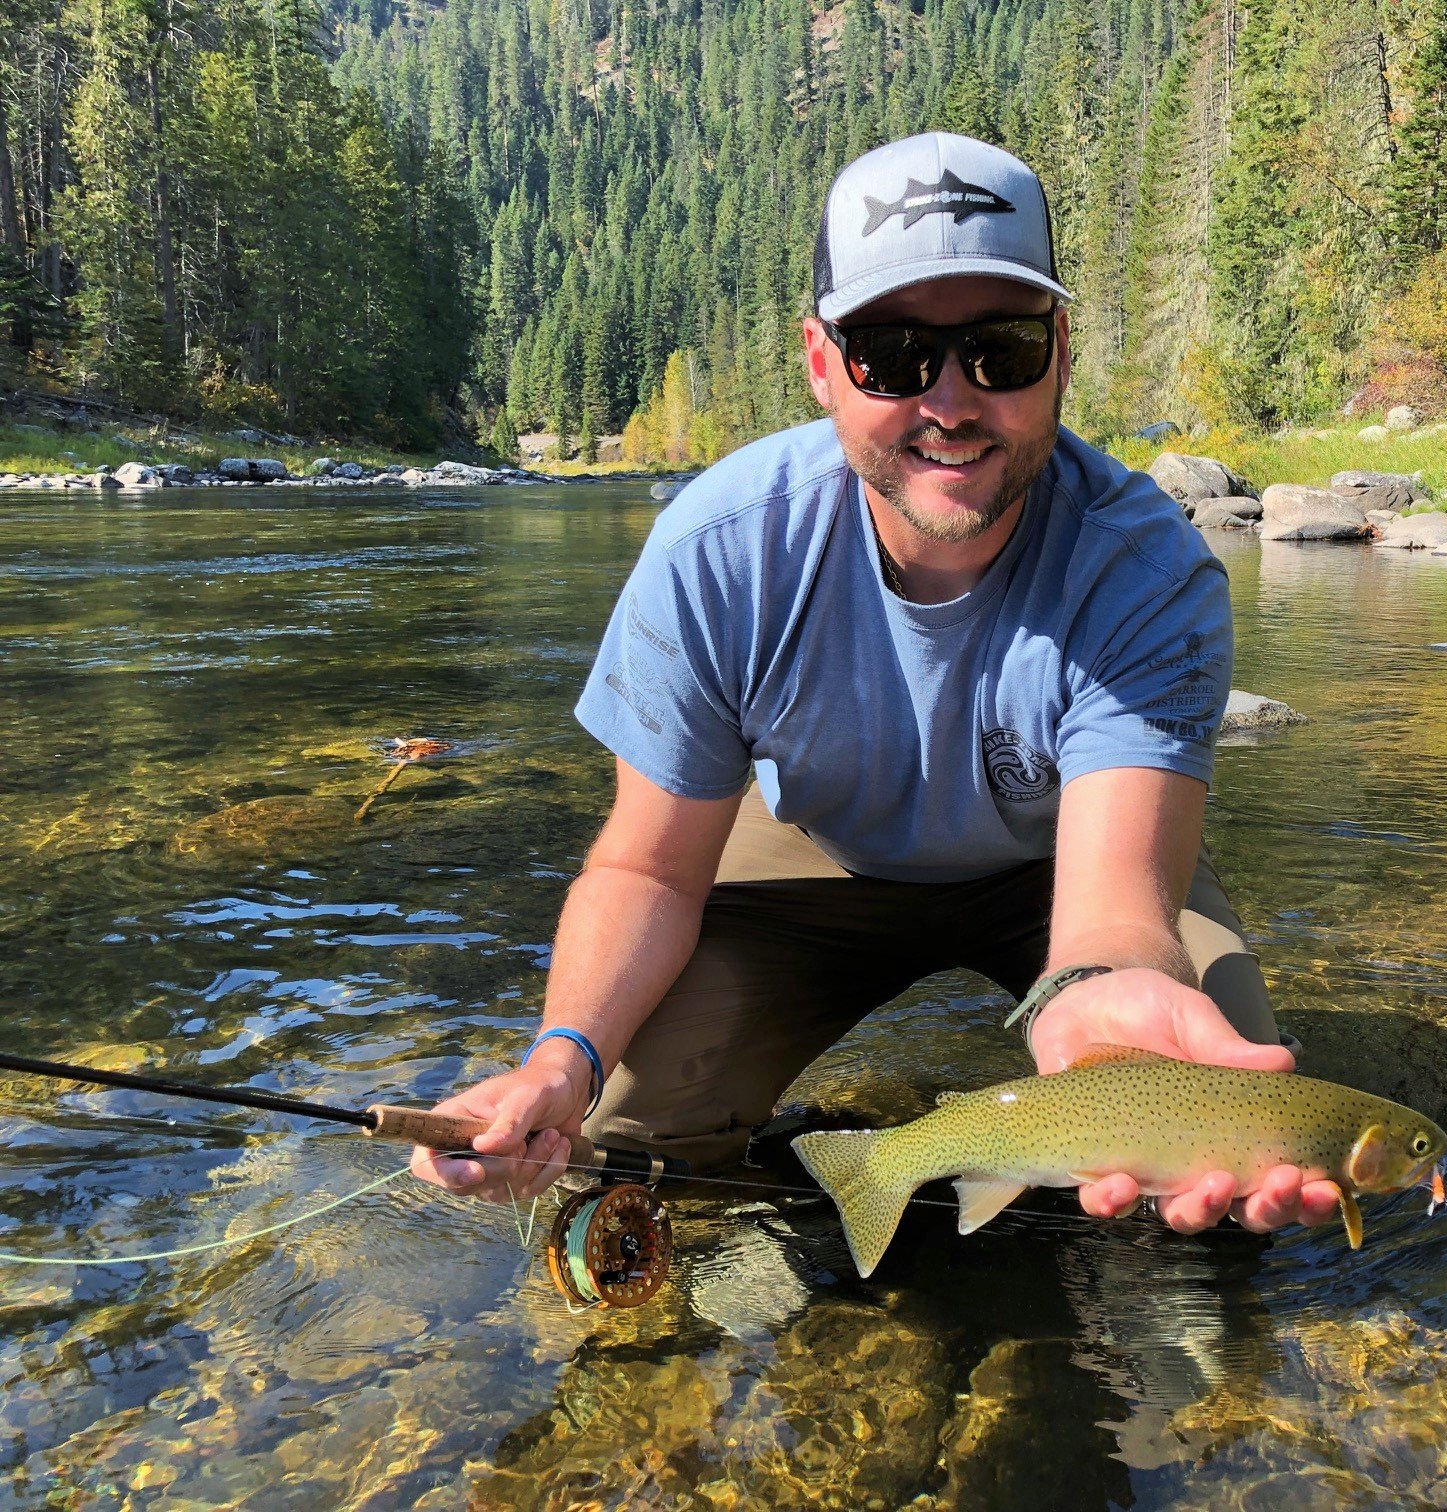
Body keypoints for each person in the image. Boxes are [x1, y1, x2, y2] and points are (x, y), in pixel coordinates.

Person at [409, 131, 1341, 1239]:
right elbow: (651, 868)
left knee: (1238, 1170)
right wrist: (560, 1060)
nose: (950, 402)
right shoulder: (720, 549)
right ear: (819, 362)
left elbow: (1114, 907)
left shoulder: (1146, 571)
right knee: (621, 1149)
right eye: (892, 356)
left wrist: (1101, 996)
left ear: (1063, 353)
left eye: (999, 348)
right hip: (820, 855)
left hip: (1064, 861)